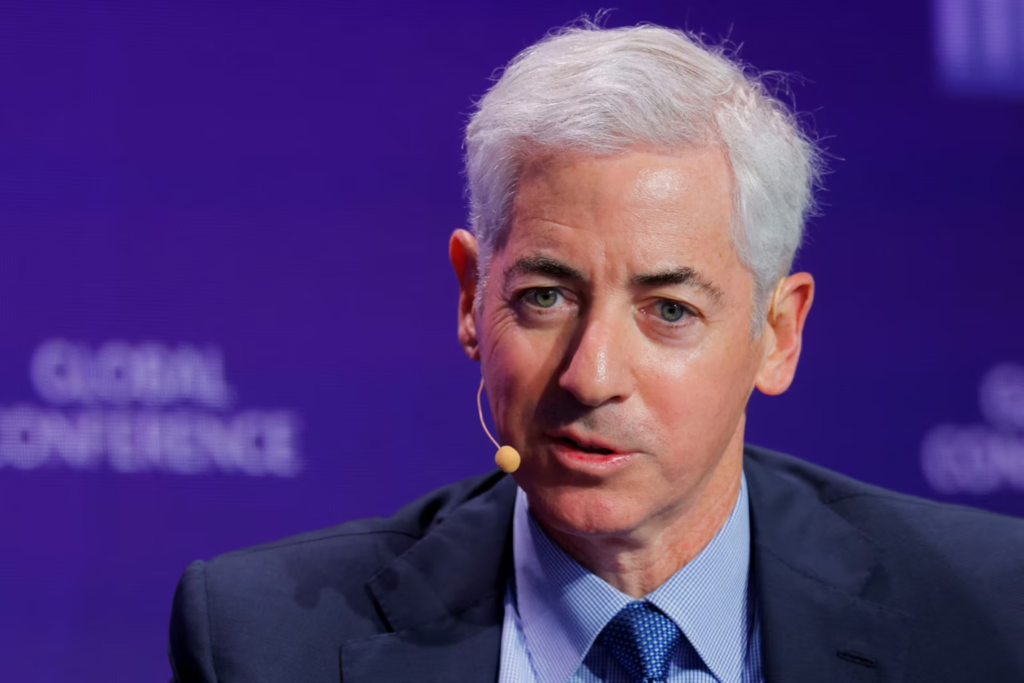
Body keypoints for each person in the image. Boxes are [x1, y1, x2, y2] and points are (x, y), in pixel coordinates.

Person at [168, 22, 1024, 683]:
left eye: (669, 310)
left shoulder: (991, 614)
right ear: (472, 296)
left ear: (778, 333)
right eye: (546, 296)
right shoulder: (265, 643)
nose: (592, 375)